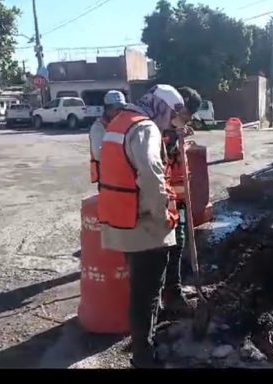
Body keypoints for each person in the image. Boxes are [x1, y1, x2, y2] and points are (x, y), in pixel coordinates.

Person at [97, 84, 197, 368]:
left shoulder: (120, 122)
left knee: (140, 289)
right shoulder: (146, 128)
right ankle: (144, 355)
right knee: (148, 293)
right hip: (144, 225)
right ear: (162, 106)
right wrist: (161, 214)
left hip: (122, 220)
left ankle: (144, 345)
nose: (171, 120)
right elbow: (152, 176)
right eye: (173, 113)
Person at [161, 87, 202, 314]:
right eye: (186, 114)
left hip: (179, 197)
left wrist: (181, 135)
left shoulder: (174, 129)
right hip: (167, 200)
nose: (187, 119)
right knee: (171, 246)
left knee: (179, 241)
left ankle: (173, 289)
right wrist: (176, 139)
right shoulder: (159, 131)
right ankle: (171, 294)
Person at [89, 90, 127, 185]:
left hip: (121, 176)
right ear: (107, 109)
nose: (120, 112)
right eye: (116, 108)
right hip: (107, 179)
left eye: (122, 108)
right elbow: (99, 154)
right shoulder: (98, 127)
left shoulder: (121, 124)